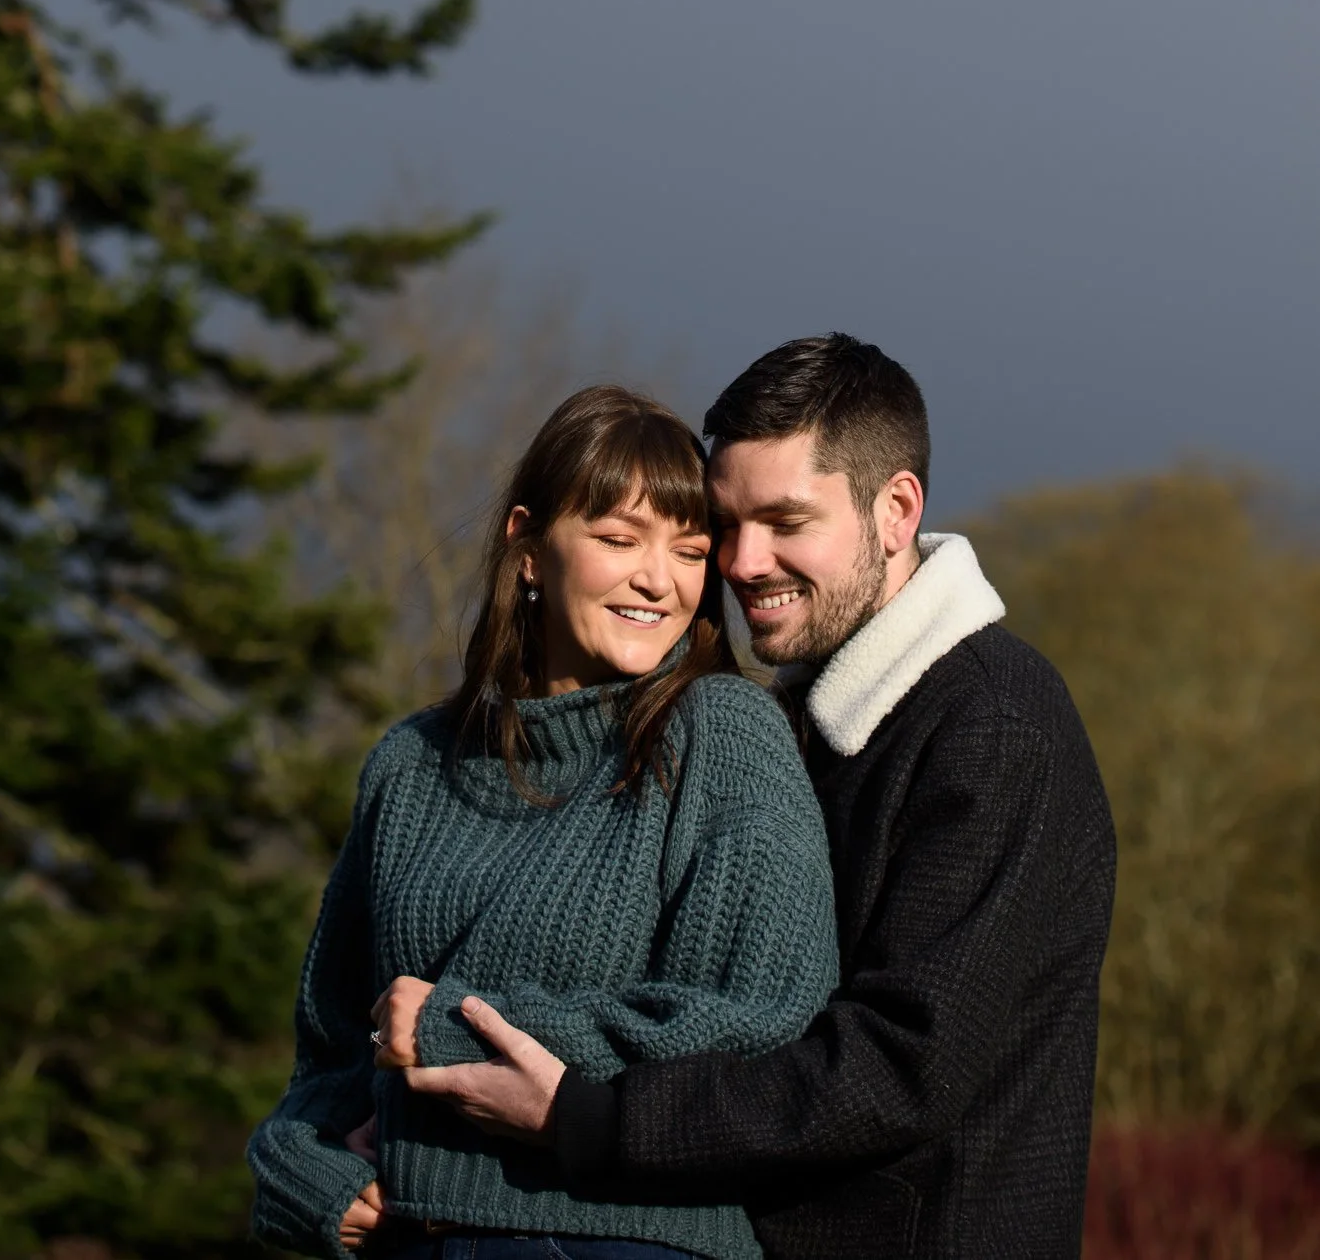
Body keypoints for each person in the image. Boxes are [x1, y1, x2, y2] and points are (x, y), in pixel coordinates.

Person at [403, 335, 1117, 1260]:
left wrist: (591, 1119)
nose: (742, 562)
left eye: (786, 522)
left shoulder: (993, 729)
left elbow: (901, 1067)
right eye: (727, 526)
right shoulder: (790, 722)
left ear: (897, 510)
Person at [246, 383, 839, 1260]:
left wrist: (454, 1030)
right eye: (618, 539)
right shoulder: (411, 764)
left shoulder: (722, 734)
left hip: (624, 1242)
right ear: (527, 545)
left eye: (687, 550)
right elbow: (336, 1049)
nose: (659, 579)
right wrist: (306, 1176)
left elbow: (768, 1017)